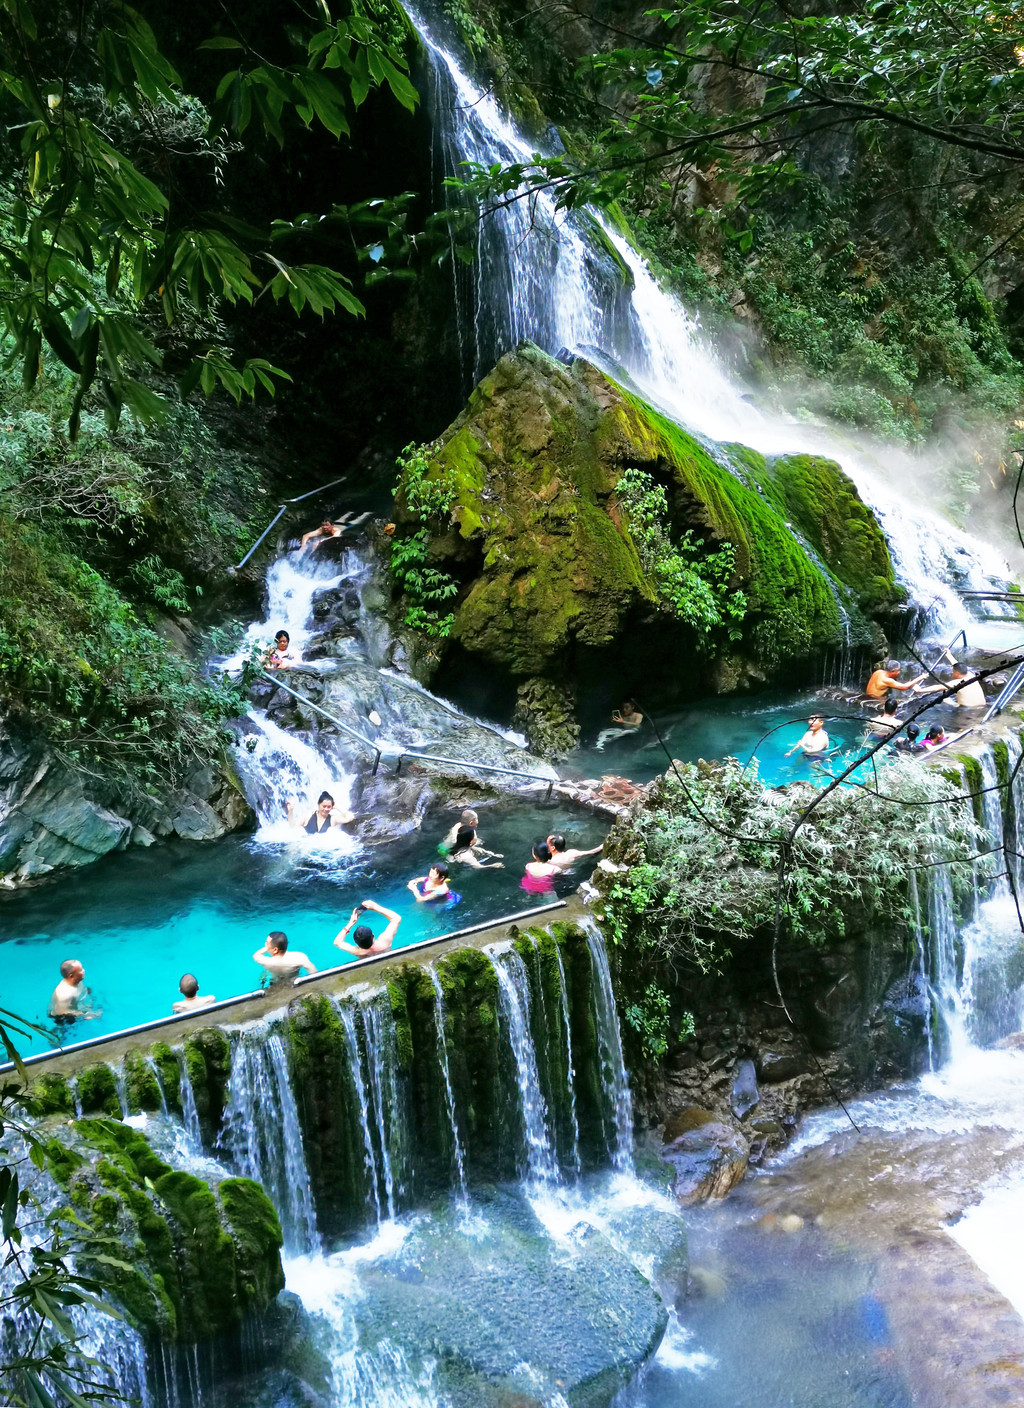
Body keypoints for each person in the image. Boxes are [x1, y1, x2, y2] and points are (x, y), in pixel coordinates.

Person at [334, 899, 403, 957]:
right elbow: (396, 919)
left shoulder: (358, 952)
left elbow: (337, 942)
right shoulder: (384, 943)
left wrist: (350, 923)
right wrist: (375, 907)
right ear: (373, 935)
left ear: (355, 941)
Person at [915, 659, 986, 709]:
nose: (952, 673)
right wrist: (948, 654)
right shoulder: (971, 675)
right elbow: (956, 664)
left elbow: (938, 687)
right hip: (982, 706)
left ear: (956, 673)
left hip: (967, 709)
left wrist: (920, 690)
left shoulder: (958, 683)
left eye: (953, 671)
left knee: (945, 700)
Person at [48, 960, 101, 1026]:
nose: (84, 970)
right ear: (71, 976)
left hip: (71, 1006)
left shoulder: (75, 981)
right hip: (62, 1017)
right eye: (81, 970)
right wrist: (85, 1014)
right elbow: (61, 1012)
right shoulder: (65, 994)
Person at [287, 790, 355, 833]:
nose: (326, 809)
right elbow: (293, 826)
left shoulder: (333, 819)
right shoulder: (308, 816)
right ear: (318, 805)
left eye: (329, 807)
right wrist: (290, 811)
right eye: (324, 806)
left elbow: (350, 817)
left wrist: (336, 806)